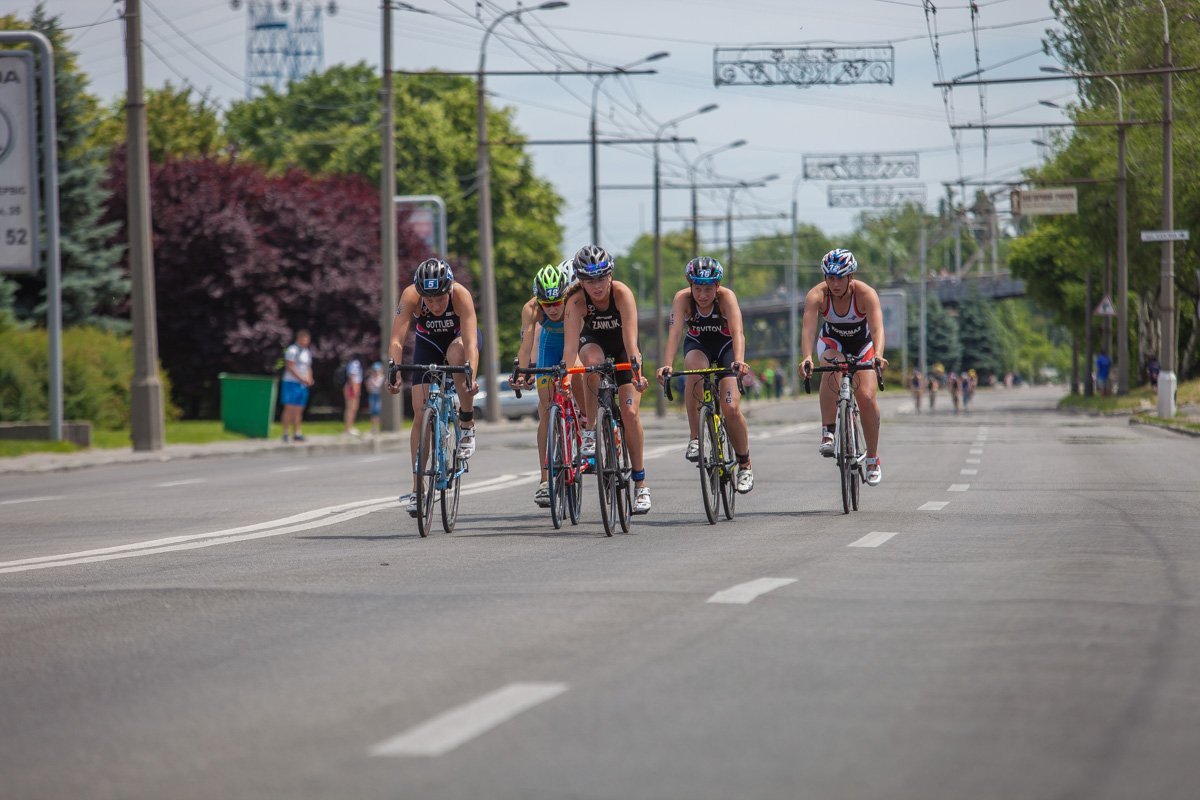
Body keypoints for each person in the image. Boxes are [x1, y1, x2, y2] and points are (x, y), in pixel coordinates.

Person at [561, 244, 653, 514]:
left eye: (601, 278)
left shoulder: (622, 293)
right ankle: (591, 429)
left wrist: (636, 374)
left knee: (630, 413)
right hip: (594, 344)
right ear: (581, 281)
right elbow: (570, 349)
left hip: (623, 347)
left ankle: (640, 483)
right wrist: (565, 378)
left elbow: (631, 342)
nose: (597, 286)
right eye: (590, 281)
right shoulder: (576, 301)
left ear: (610, 275)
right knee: (590, 364)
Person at [387, 257, 480, 516]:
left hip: (459, 342)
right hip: (428, 345)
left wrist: (471, 375)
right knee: (420, 413)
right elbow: (396, 340)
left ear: (449, 289)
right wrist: (393, 370)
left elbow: (471, 343)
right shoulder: (411, 295)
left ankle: (466, 422)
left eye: (440, 298)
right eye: (429, 300)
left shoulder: (460, 295)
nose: (436, 305)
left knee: (457, 355)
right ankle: (418, 489)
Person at [656, 256, 755, 494]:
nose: (702, 295)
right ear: (690, 285)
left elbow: (738, 332)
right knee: (694, 370)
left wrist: (739, 360)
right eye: (697, 288)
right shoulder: (682, 299)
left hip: (726, 347)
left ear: (717, 286)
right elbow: (674, 333)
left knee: (731, 408)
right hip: (698, 345)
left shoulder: (726, 298)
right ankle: (695, 438)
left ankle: (745, 465)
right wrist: (667, 365)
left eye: (708, 289)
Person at [798, 248, 889, 486]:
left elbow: (877, 329)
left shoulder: (866, 294)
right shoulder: (817, 295)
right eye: (830, 278)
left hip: (862, 344)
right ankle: (828, 430)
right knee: (831, 366)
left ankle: (872, 458)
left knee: (866, 397)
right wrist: (807, 357)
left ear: (851, 277)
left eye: (840, 278)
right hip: (832, 341)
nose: (835, 284)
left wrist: (878, 356)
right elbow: (808, 329)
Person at [514, 260, 578, 507]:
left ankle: (585, 425)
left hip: (575, 343)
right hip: (550, 346)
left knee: (579, 376)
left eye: (556, 303)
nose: (552, 309)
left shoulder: (575, 301)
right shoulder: (531, 308)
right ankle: (544, 480)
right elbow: (526, 345)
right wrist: (522, 372)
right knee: (546, 409)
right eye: (546, 304)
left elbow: (577, 345)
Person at [281, 329, 313, 443]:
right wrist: (301, 378)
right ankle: (285, 433)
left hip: (302, 384)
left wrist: (309, 378)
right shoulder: (292, 350)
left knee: (299, 409)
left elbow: (308, 367)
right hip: (291, 382)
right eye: (303, 339)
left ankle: (297, 433)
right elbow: (290, 367)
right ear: (298, 339)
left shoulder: (306, 352)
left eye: (307, 340)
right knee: (289, 408)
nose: (305, 342)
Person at [343, 357, 363, 435]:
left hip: (354, 386)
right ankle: (348, 428)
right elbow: (352, 376)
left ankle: (350, 427)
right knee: (351, 408)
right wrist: (355, 389)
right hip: (352, 386)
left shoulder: (354, 363)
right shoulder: (355, 363)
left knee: (353, 408)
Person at [366, 361, 385, 435]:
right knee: (373, 412)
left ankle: (378, 427)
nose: (376, 372)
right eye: (375, 370)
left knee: (378, 411)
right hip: (373, 395)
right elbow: (369, 388)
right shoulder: (370, 379)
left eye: (377, 370)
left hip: (379, 396)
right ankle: (373, 427)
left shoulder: (382, 378)